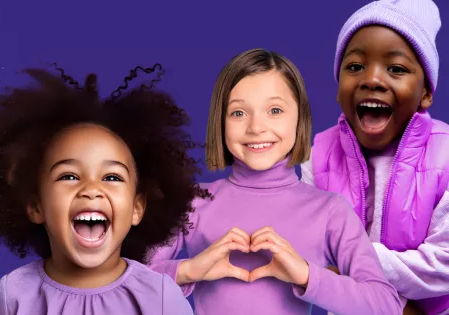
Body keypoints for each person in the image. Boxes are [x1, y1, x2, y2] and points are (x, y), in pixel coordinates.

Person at [147, 48, 402, 315]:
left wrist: (306, 275)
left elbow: (385, 305)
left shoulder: (330, 211)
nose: (256, 127)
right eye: (238, 113)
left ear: (299, 118)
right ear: (220, 122)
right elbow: (123, 280)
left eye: (275, 110)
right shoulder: (191, 202)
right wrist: (188, 270)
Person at [0, 64, 205, 314]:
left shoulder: (159, 297)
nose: (91, 189)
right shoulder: (12, 297)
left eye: (112, 177)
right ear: (36, 206)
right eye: (69, 176)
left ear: (137, 208)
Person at [300, 1, 449, 314]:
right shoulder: (318, 157)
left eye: (396, 69)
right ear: (338, 86)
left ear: (425, 93)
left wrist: (354, 263)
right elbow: (310, 253)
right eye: (355, 66)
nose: (373, 79)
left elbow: (443, 266)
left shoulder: (446, 157)